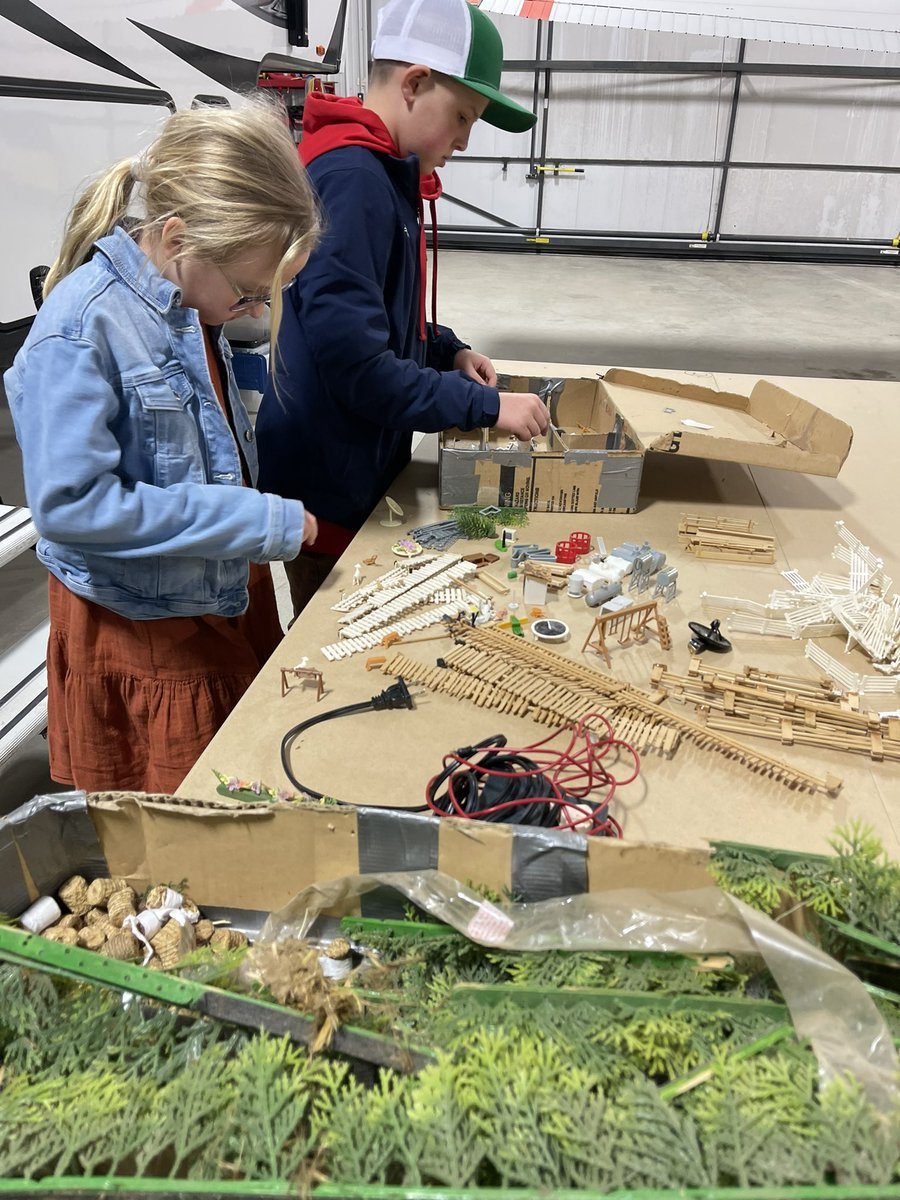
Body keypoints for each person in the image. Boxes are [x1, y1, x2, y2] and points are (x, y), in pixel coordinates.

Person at [6, 102, 320, 794]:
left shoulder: (185, 305)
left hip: (208, 592)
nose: (254, 314)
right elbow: (72, 505)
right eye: (247, 293)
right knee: (182, 815)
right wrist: (256, 522)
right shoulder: (82, 327)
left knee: (241, 780)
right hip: (140, 623)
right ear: (178, 236)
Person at [256, 0, 549, 617]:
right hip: (327, 490)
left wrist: (448, 350)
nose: (466, 141)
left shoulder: (382, 172)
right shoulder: (352, 179)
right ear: (415, 84)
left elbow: (382, 313)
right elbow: (360, 369)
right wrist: (487, 407)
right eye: (463, 117)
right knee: (338, 640)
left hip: (354, 467)